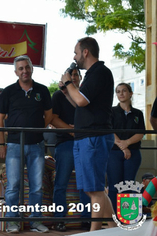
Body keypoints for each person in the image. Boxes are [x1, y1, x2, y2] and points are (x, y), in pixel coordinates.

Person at [60, 37, 116, 231]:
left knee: (95, 190)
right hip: (86, 137)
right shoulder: (93, 74)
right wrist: (67, 92)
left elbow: (82, 101)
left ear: (85, 52)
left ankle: (94, 232)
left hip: (94, 136)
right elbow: (79, 103)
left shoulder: (99, 72)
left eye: (76, 52)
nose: (74, 57)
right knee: (95, 190)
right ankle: (112, 228)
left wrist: (69, 82)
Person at [0, 55, 52, 233]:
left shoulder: (42, 90)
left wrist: (38, 129)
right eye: (20, 68)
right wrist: (1, 143)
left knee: (37, 186)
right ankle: (12, 221)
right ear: (16, 72)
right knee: (13, 186)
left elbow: (49, 114)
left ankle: (35, 221)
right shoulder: (8, 91)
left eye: (27, 67)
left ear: (32, 69)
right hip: (13, 144)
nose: (24, 71)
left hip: (36, 144)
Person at [51, 67, 90, 231]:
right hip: (65, 143)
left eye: (76, 75)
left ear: (80, 78)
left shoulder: (85, 95)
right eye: (71, 75)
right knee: (61, 183)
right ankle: (59, 219)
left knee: (85, 184)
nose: (73, 77)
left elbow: (92, 116)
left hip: (85, 142)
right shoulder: (58, 95)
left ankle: (87, 219)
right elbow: (53, 118)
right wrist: (71, 130)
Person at [107, 83, 145, 212]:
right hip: (114, 153)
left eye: (124, 91)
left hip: (133, 153)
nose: (121, 93)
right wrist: (123, 147)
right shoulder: (111, 111)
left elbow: (141, 132)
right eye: (118, 91)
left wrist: (127, 143)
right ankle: (114, 218)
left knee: (130, 185)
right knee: (114, 186)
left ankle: (128, 216)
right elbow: (109, 130)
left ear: (131, 93)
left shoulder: (138, 113)